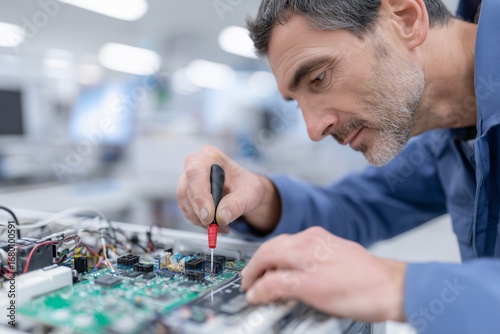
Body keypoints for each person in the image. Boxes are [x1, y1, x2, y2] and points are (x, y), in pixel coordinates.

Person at [177, 0, 500, 332]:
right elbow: (362, 205)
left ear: (405, 19)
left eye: (319, 77)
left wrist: (395, 284)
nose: (314, 131)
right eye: (297, 102)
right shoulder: (451, 138)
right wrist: (262, 196)